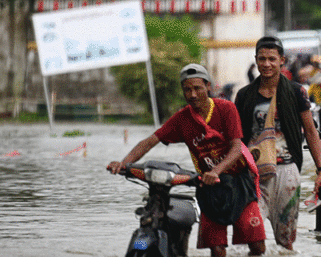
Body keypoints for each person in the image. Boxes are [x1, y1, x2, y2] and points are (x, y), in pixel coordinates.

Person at [106, 64, 266, 257]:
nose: (192, 94)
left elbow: (236, 148)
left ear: (208, 86)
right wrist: (123, 164)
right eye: (187, 89)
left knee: (257, 245)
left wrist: (216, 170)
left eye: (197, 88)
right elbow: (149, 142)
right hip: (208, 186)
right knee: (217, 249)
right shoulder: (182, 119)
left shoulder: (226, 109)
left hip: (238, 182)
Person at [234, 36, 321, 251]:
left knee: (285, 241)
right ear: (255, 60)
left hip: (286, 172)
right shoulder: (244, 95)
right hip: (253, 175)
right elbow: (236, 138)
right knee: (253, 237)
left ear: (282, 60)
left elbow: (311, 132)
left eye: (272, 59)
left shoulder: (296, 92)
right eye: (262, 59)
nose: (266, 64)